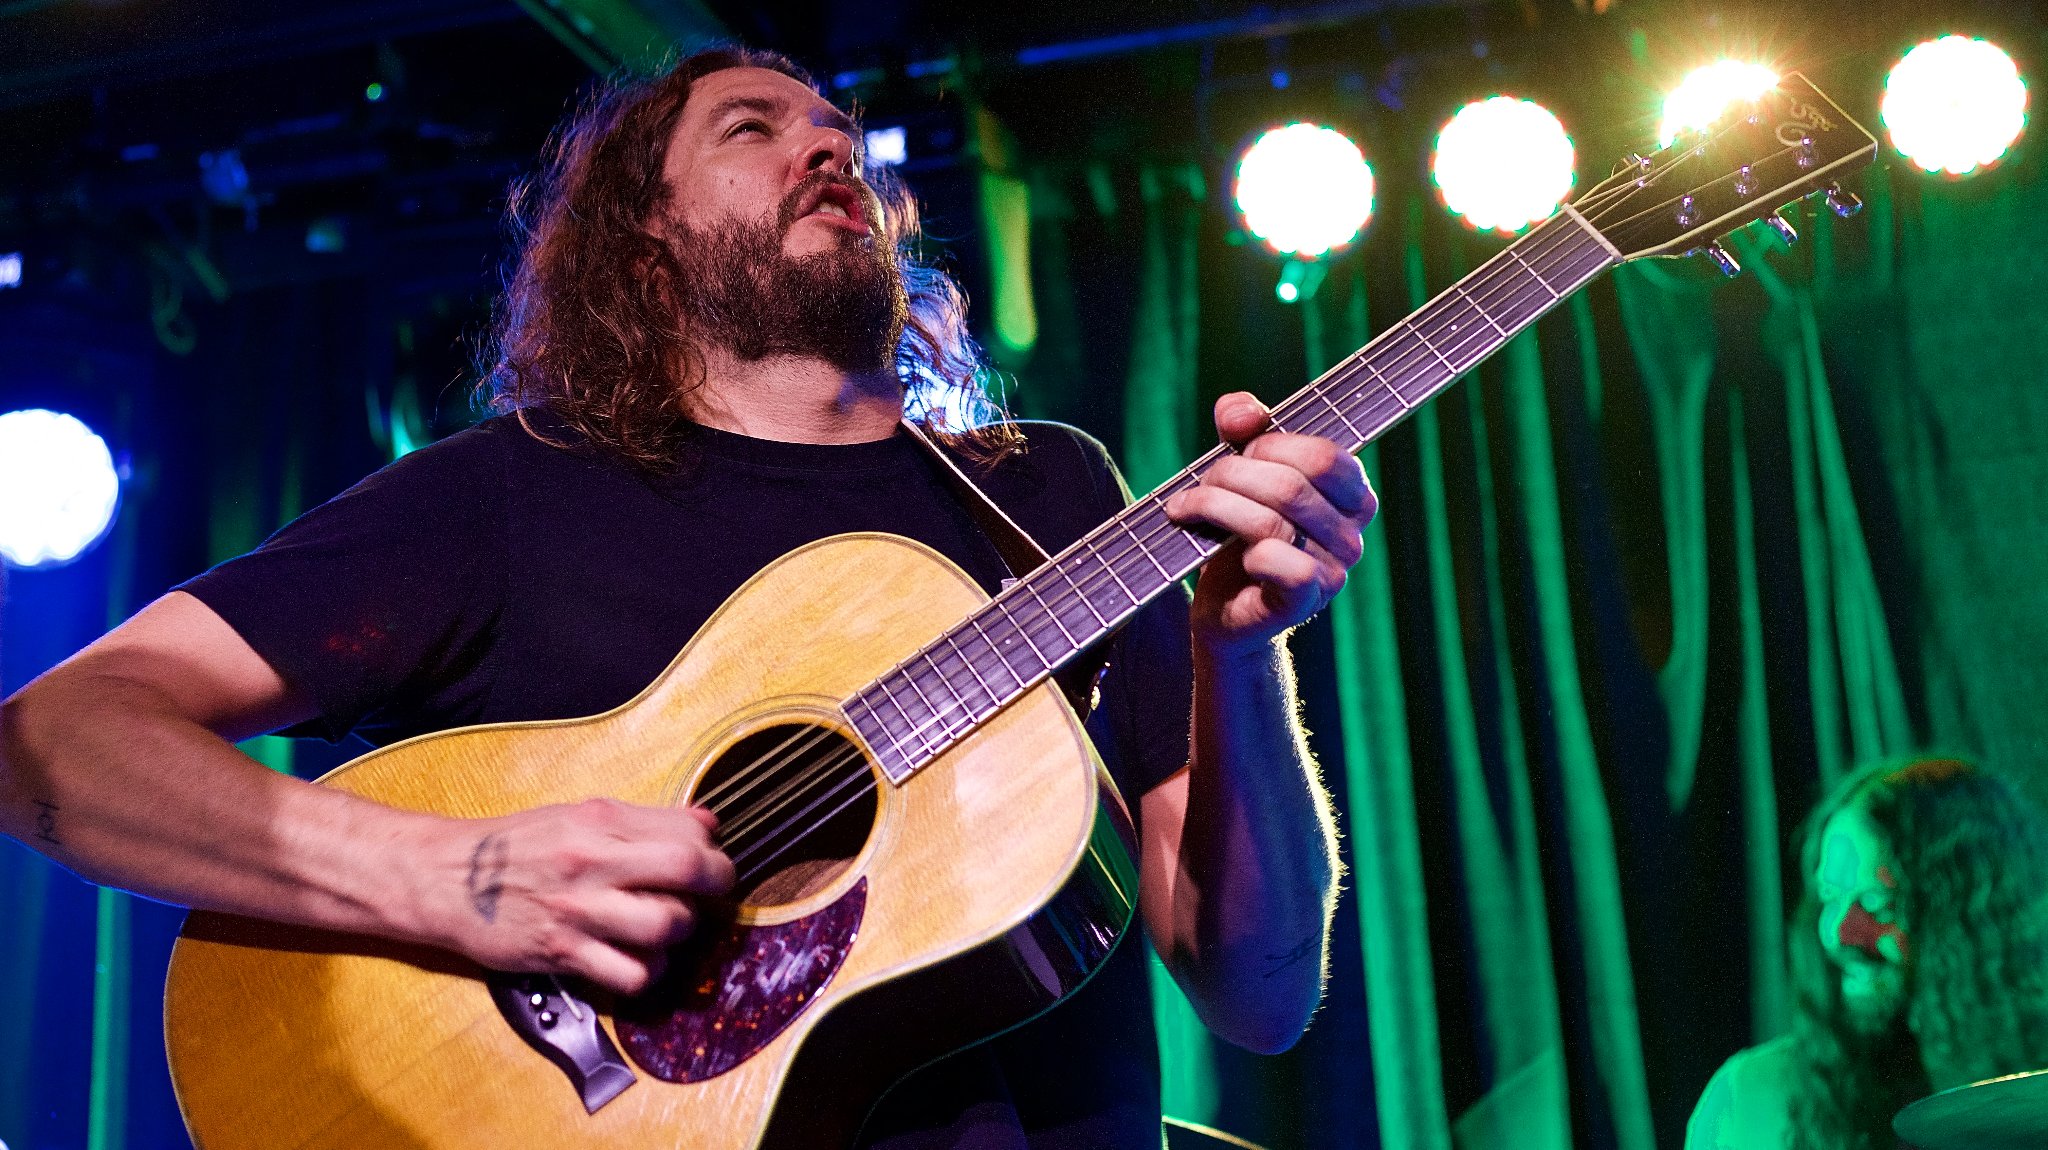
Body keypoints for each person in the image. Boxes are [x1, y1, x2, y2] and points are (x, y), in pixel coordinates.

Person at [0, 46, 1375, 1148]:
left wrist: (1238, 654)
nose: (825, 147)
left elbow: (1258, 993)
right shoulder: (507, 497)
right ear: (644, 245)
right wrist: (455, 876)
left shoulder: (1051, 495)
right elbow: (54, 739)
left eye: (836, 131)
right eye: (752, 129)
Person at [1685, 758, 2048, 1150]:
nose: (1838, 935)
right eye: (1829, 897)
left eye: (1878, 904)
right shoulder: (1750, 1102)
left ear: (1971, 925)